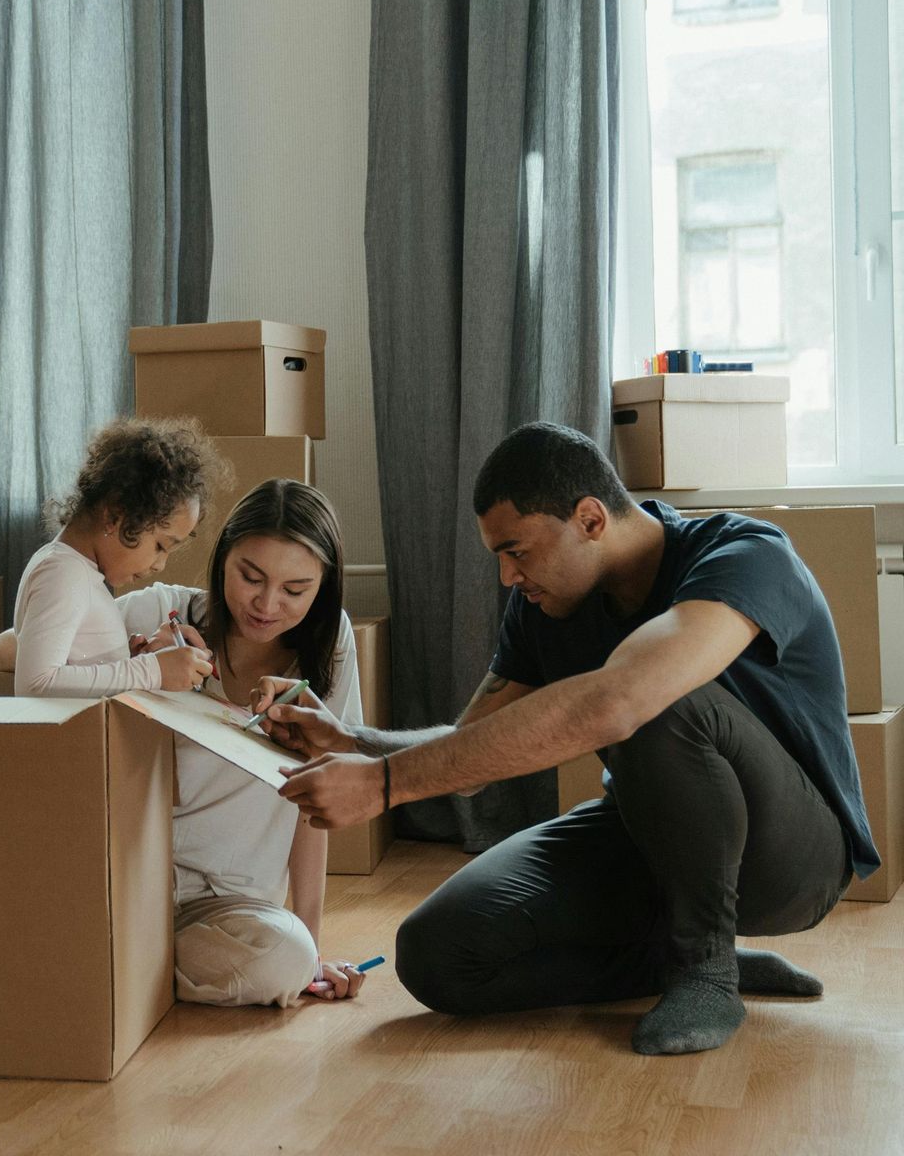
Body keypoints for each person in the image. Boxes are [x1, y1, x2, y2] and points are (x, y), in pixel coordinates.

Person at [256, 422, 876, 1055]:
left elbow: (623, 700)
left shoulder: (745, 555)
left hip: (792, 860)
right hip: (649, 837)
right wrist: (353, 743)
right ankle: (673, 960)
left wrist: (386, 786)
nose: (506, 576)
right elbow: (472, 751)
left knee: (657, 697)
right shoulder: (544, 606)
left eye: (517, 551)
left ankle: (706, 971)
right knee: (437, 954)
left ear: (590, 519)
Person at [0, 478, 370, 1008]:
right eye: (250, 576)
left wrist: (313, 947)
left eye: (296, 590)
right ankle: (119, 963)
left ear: (323, 587)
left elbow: (315, 802)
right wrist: (137, 665)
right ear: (222, 558)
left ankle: (115, 968)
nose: (267, 604)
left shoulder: (331, 647)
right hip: (130, 882)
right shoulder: (159, 612)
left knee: (286, 958)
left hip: (231, 908)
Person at [10, 417, 221, 697]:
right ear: (114, 515)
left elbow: (77, 672)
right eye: (160, 545)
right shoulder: (63, 573)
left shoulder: (78, 572)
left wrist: (127, 662)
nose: (160, 564)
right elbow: (36, 684)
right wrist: (151, 670)